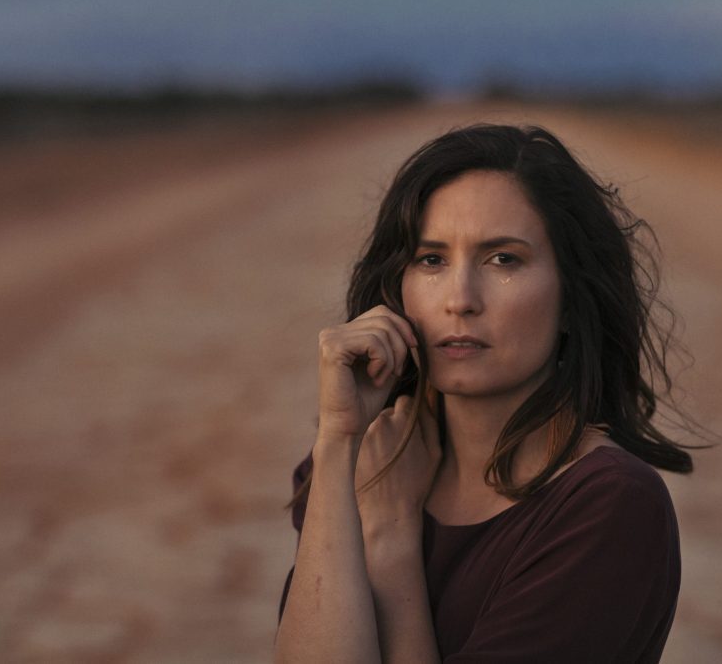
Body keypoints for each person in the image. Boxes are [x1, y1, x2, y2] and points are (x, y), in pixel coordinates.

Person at [274, 124, 699, 663]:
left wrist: (390, 541)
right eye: (431, 260)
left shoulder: (609, 505)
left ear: (572, 297)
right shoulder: (353, 467)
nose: (460, 299)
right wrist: (337, 444)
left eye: (503, 260)